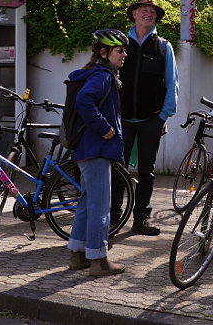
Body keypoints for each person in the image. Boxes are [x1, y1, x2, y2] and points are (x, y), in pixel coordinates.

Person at [67, 28, 128, 277]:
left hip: (87, 149)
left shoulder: (97, 73)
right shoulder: (102, 75)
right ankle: (98, 259)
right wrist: (105, 128)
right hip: (96, 149)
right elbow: (84, 101)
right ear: (104, 53)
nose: (124, 55)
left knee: (87, 202)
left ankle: (78, 253)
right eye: (119, 50)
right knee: (101, 205)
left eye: (125, 50)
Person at [120, 0, 178, 236]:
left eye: (152, 11)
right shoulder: (120, 42)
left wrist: (162, 116)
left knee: (147, 172)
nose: (148, 13)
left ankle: (141, 219)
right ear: (134, 14)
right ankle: (113, 218)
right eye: (143, 9)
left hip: (150, 121)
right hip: (120, 120)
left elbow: (172, 83)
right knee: (116, 170)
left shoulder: (163, 46)